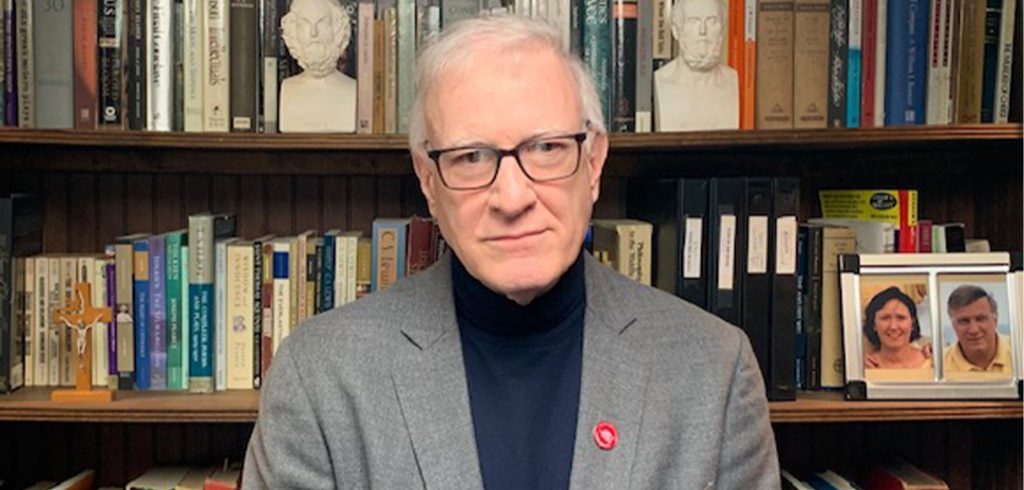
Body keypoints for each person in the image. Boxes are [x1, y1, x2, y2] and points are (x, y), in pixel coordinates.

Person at [243, 15, 778, 488]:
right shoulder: (320, 376)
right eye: (471, 157)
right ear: (429, 181)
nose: (512, 197)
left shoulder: (714, 369)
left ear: (593, 164)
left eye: (546, 148)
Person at [654, 0, 739, 131]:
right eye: (693, 21)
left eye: (712, 21)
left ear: (723, 29)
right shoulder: (661, 81)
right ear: (676, 30)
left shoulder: (735, 81)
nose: (703, 31)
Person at [278, 0, 357, 132]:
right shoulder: (287, 89)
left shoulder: (353, 91)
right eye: (304, 24)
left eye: (322, 23)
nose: (313, 33)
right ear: (293, 30)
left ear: (337, 28)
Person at [943, 285, 1012, 373]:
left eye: (980, 319)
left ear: (995, 320)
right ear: (953, 325)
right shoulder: (936, 365)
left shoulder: (1019, 352)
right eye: (964, 321)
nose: (974, 330)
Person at [863, 286, 932, 369]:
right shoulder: (865, 367)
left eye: (901, 318)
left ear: (912, 324)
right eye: (885, 318)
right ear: (874, 325)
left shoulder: (933, 361)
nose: (893, 326)